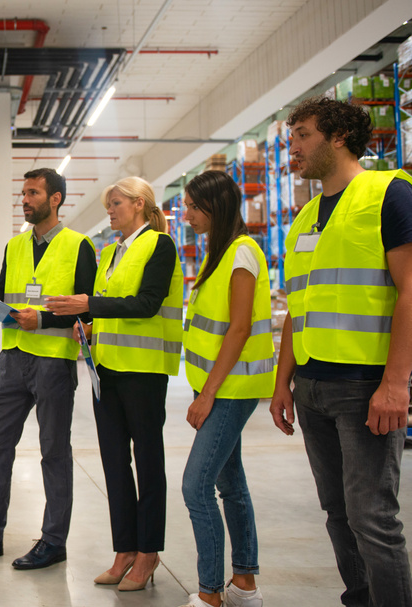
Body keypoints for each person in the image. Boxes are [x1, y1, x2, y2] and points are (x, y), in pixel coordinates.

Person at [269, 96, 412, 607]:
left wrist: (396, 384)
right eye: (292, 137)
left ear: (338, 137)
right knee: (335, 510)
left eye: (303, 134)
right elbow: (298, 310)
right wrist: (283, 382)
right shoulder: (306, 216)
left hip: (364, 385)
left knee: (372, 516)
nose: (294, 146)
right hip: (311, 387)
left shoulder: (388, 194)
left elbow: (409, 291)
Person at [0, 167, 97, 570]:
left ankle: (53, 541)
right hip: (12, 360)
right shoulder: (14, 246)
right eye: (24, 193)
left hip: (53, 362)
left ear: (55, 199)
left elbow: (88, 311)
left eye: (33, 193)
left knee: (53, 452)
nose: (25, 199)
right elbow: (2, 292)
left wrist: (44, 321)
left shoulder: (79, 246)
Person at [44, 177, 182, 591]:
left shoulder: (160, 245)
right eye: (109, 205)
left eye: (116, 203)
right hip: (105, 369)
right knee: (114, 462)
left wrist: (90, 304)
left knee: (148, 462)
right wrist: (87, 324)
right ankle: (124, 550)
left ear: (139, 205)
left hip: (142, 371)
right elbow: (108, 305)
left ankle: (149, 553)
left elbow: (146, 304)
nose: (111, 211)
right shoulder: (110, 252)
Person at [179, 170, 274, 607]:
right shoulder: (218, 255)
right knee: (230, 483)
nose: (187, 214)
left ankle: (210, 592)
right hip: (221, 387)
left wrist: (207, 394)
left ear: (216, 207)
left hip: (230, 390)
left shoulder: (241, 253)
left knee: (195, 487)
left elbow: (238, 330)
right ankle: (246, 584)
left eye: (194, 207)